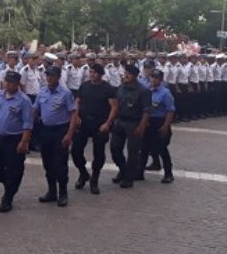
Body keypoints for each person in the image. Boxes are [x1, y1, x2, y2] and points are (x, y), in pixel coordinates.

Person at [0, 71, 33, 213]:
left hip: (14, 139)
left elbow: (28, 123)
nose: (7, 84)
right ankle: (9, 184)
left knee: (14, 168)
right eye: (6, 81)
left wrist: (24, 142)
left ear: (17, 84)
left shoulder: (24, 100)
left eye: (11, 82)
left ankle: (8, 198)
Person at [33, 66, 76, 207]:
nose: (49, 78)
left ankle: (63, 193)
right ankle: (52, 191)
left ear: (58, 77)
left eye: (52, 76)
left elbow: (73, 114)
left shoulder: (65, 93)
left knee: (61, 163)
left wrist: (69, 134)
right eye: (47, 75)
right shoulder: (42, 92)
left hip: (60, 131)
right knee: (47, 162)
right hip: (45, 131)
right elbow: (35, 111)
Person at [71, 63, 117, 195]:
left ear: (100, 74)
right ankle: (83, 173)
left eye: (95, 72)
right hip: (84, 122)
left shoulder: (108, 88)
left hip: (100, 124)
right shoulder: (84, 86)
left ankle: (94, 179)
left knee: (99, 153)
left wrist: (108, 123)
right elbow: (77, 101)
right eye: (90, 72)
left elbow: (114, 107)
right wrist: (76, 115)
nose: (92, 74)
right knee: (75, 151)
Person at [110, 64, 151, 189]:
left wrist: (142, 126)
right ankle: (123, 170)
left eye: (129, 74)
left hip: (134, 123)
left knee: (133, 152)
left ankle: (129, 178)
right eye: (125, 73)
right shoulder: (121, 87)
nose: (126, 76)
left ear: (135, 76)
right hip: (120, 121)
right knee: (115, 149)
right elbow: (116, 104)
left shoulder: (143, 90)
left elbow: (147, 110)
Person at [140, 70, 176, 184]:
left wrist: (165, 126)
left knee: (162, 149)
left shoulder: (165, 93)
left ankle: (168, 174)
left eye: (156, 78)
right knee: (144, 148)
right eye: (152, 77)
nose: (154, 80)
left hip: (159, 122)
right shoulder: (146, 91)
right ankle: (139, 172)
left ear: (161, 80)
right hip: (148, 121)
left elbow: (170, 111)